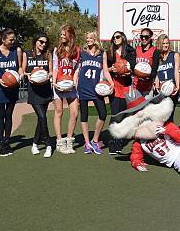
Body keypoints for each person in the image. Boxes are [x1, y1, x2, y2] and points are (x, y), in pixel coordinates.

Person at [75, 31, 113, 155]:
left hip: (96, 89)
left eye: (91, 38)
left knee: (103, 113)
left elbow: (106, 70)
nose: (88, 40)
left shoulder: (102, 54)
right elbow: (77, 70)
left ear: (95, 39)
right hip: (83, 87)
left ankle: (95, 140)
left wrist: (111, 82)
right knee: (84, 115)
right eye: (87, 38)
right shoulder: (82, 53)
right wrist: (75, 84)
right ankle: (87, 143)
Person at [0, 28, 23, 157]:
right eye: (11, 39)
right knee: (1, 114)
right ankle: (0, 141)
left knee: (9, 114)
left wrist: (20, 76)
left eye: (14, 39)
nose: (13, 41)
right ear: (3, 39)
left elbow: (19, 67)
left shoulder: (17, 50)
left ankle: (7, 141)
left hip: (13, 87)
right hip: (0, 86)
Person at [105, 30, 136, 154]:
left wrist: (128, 70)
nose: (115, 39)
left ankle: (119, 140)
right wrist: (111, 69)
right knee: (115, 114)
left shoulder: (130, 51)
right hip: (114, 85)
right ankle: (113, 143)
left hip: (126, 86)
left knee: (122, 116)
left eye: (117, 37)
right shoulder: (109, 53)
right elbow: (105, 69)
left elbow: (133, 67)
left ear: (123, 38)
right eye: (113, 37)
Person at [23, 33, 54, 158]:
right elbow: (22, 70)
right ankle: (48, 145)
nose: (43, 44)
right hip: (34, 91)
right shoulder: (27, 53)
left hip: (45, 89)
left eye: (45, 42)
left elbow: (51, 71)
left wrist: (47, 76)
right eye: (41, 41)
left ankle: (35, 143)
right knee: (42, 117)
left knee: (41, 119)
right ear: (35, 41)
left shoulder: (48, 54)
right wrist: (27, 75)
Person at [52, 25, 81, 154]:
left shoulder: (77, 51)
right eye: (61, 34)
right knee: (59, 112)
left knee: (74, 113)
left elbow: (77, 69)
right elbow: (55, 68)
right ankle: (59, 142)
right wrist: (54, 82)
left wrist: (75, 80)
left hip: (71, 86)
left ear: (71, 35)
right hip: (59, 84)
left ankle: (69, 141)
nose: (62, 36)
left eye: (64, 34)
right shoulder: (57, 50)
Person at [153, 34, 180, 103]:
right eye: (163, 43)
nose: (165, 45)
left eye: (167, 43)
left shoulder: (174, 55)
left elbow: (176, 71)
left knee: (171, 112)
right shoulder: (157, 56)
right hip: (161, 88)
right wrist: (156, 84)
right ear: (159, 44)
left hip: (171, 86)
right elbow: (157, 73)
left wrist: (177, 85)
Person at [133, 28, 156, 96]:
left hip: (148, 86)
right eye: (141, 36)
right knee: (137, 106)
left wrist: (148, 76)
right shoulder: (137, 50)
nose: (143, 38)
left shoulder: (154, 51)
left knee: (148, 106)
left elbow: (155, 68)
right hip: (136, 85)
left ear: (150, 37)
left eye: (146, 36)